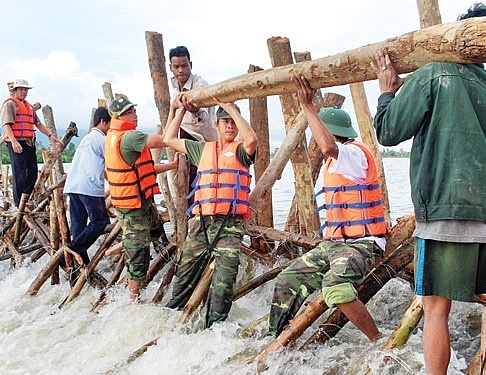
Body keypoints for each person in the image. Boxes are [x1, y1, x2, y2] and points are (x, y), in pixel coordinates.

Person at [371, 3, 486, 373]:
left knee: (435, 308)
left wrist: (388, 92)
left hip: (445, 208)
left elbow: (389, 131)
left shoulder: (434, 73)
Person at [267, 73, 387, 340]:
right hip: (334, 244)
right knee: (287, 280)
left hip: (363, 243)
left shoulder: (354, 153)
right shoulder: (335, 162)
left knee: (335, 285)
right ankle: (274, 340)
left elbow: (327, 146)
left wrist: (308, 107)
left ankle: (377, 340)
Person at [164, 94, 257, 328]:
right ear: (216, 125)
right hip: (201, 225)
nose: (230, 126)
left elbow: (252, 140)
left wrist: (231, 109)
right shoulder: (201, 149)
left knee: (223, 285)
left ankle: (213, 330)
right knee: (183, 277)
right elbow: (169, 138)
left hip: (229, 226)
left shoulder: (241, 152)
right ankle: (173, 322)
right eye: (225, 121)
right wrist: (180, 110)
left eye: (233, 123)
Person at [105, 95, 178, 302]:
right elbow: (165, 140)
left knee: (155, 229)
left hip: (138, 202)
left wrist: (171, 166)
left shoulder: (114, 136)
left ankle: (127, 241)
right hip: (134, 206)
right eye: (129, 112)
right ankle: (133, 299)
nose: (135, 114)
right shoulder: (130, 137)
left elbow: (144, 169)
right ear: (118, 116)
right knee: (139, 254)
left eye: (134, 110)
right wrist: (176, 111)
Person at [62, 107, 112, 266]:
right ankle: (74, 247)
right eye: (110, 123)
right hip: (88, 187)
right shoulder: (102, 139)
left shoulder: (86, 139)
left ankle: (80, 268)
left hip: (73, 186)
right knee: (100, 220)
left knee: (79, 228)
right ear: (103, 122)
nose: (111, 128)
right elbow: (111, 164)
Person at [1, 79, 62, 207]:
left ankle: (25, 198)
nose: (23, 92)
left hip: (29, 143)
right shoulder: (10, 104)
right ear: (15, 91)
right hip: (17, 142)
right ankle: (19, 204)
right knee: (19, 174)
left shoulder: (28, 106)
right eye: (21, 89)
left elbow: (38, 123)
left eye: (25, 90)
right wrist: (13, 141)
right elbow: (6, 125)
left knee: (33, 172)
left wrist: (50, 135)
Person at [169, 46, 217, 142]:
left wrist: (195, 112)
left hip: (204, 144)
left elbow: (204, 118)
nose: (181, 70)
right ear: (170, 67)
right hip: (183, 144)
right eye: (176, 67)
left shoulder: (200, 86)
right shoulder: (175, 91)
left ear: (190, 65)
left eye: (184, 65)